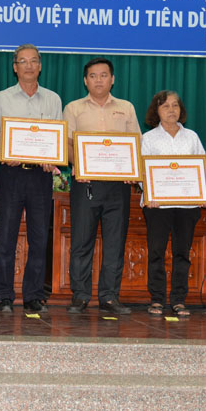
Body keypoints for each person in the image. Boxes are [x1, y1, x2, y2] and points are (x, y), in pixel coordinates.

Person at [63, 57, 140, 315]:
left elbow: (136, 144)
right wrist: (79, 166)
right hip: (86, 184)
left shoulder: (126, 108)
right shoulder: (73, 108)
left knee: (115, 243)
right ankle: (81, 295)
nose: (99, 80)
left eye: (104, 75)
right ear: (85, 80)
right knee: (82, 242)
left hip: (118, 186)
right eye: (93, 76)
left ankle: (109, 296)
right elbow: (68, 145)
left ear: (113, 79)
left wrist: (134, 171)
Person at [0, 44, 62, 313]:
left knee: (39, 238)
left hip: (40, 178)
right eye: (23, 61)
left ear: (40, 65)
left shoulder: (53, 99)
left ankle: (33, 295)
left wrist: (51, 157)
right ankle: (5, 296)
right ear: (15, 67)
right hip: (12, 174)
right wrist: (2, 154)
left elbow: (55, 137)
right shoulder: (1, 98)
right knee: (6, 237)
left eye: (34, 61)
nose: (29, 66)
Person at [140, 90, 206, 317]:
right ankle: (157, 299)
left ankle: (179, 300)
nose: (171, 110)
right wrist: (149, 193)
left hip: (187, 207)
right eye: (165, 106)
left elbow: (202, 168)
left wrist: (205, 193)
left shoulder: (192, 137)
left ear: (181, 110)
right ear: (156, 111)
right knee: (156, 253)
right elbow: (142, 172)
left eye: (175, 105)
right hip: (157, 206)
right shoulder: (148, 138)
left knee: (182, 254)